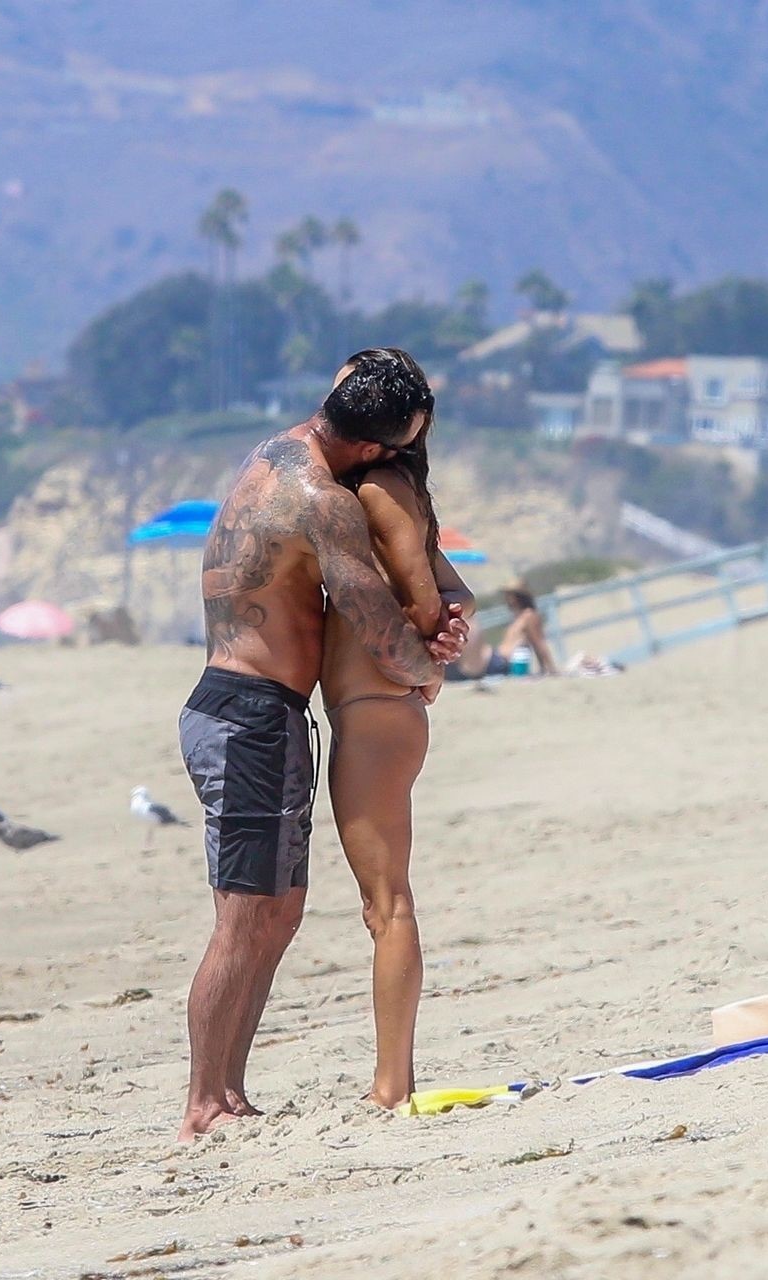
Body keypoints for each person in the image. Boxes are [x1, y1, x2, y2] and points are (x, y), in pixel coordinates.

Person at [176, 348, 466, 1142]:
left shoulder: (274, 454)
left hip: (246, 711)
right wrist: (429, 672)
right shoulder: (324, 502)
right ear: (370, 446)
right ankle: (205, 1101)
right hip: (250, 716)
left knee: (274, 915)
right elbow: (379, 626)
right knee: (246, 920)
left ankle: (229, 1094)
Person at [319, 358, 475, 1111]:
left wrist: (428, 664)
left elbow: (421, 589)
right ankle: (392, 1080)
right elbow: (457, 592)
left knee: (387, 906)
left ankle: (391, 1087)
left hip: (377, 707)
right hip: (383, 709)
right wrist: (446, 632)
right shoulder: (398, 489)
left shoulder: (377, 490)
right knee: (386, 904)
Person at [453, 585, 560, 679]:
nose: (507, 599)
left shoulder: (529, 616)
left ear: (517, 597)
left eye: (509, 596)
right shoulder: (520, 617)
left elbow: (539, 643)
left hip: (503, 662)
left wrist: (550, 668)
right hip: (500, 660)